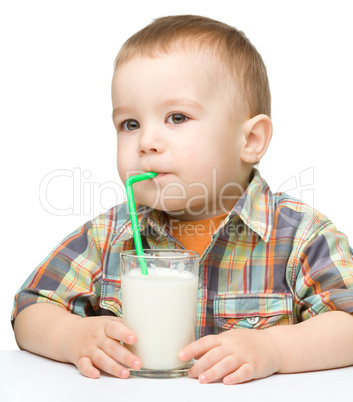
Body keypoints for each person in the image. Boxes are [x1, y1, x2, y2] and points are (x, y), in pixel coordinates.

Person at [12, 15, 353, 385]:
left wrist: (274, 348)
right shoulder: (110, 234)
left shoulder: (300, 236)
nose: (146, 142)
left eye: (177, 117)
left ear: (250, 140)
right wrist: (71, 336)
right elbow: (30, 306)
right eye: (130, 124)